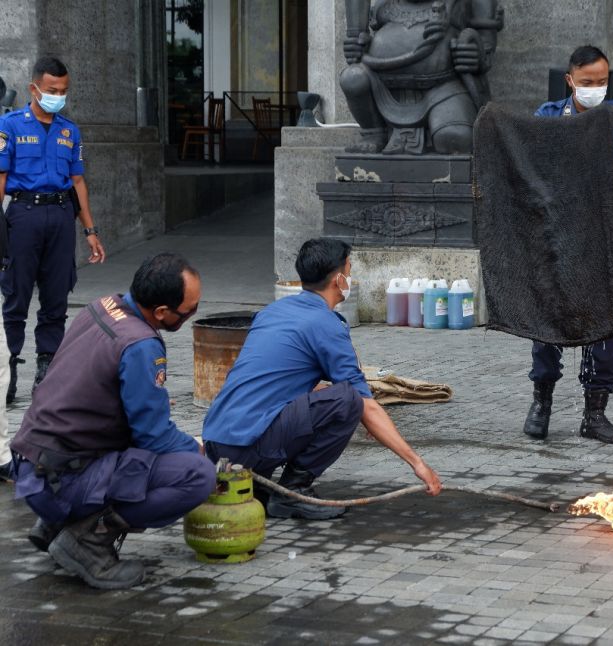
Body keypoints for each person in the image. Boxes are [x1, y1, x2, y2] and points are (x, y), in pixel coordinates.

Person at [9, 253, 215, 589]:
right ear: (161, 312)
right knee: (196, 475)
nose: (192, 314)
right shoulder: (141, 345)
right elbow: (154, 436)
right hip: (60, 481)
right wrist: (197, 449)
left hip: (34, 466)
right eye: (188, 311)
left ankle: (54, 525)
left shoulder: (102, 306)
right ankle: (89, 541)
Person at [202, 238, 442, 520]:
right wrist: (418, 464)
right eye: (349, 271)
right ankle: (294, 490)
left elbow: (284, 375)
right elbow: (365, 404)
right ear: (339, 279)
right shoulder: (325, 325)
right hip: (247, 446)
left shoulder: (271, 312)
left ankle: (255, 485)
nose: (351, 278)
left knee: (335, 395)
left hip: (217, 443)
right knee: (348, 400)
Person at [522, 45, 613, 445]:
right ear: (570, 80)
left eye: (602, 81)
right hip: (553, 235)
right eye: (587, 83)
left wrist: (595, 127)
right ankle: (542, 402)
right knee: (547, 323)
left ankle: (596, 413)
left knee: (604, 325)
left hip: (598, 237)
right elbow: (535, 159)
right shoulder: (548, 114)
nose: (595, 89)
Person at [0, 56, 106, 405]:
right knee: (16, 295)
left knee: (56, 296)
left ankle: (48, 367)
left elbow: (78, 182)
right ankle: (9, 365)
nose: (58, 96)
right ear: (34, 88)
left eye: (63, 91)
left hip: (60, 215)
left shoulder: (69, 130)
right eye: (51, 90)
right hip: (23, 216)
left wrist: (89, 230)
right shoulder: (10, 126)